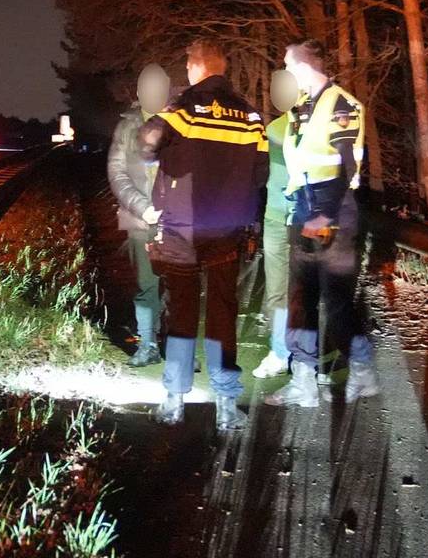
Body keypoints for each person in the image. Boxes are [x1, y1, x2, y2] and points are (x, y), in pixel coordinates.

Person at [139, 38, 268, 430]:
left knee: (182, 311)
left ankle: (174, 401)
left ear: (195, 68)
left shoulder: (180, 109)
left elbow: (146, 146)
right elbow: (261, 175)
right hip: (228, 229)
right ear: (223, 69)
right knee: (223, 311)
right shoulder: (250, 116)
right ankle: (226, 405)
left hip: (182, 227)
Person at [265, 39, 378, 408]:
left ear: (300, 67)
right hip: (304, 208)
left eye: (286, 65)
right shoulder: (303, 108)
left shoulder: (342, 106)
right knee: (302, 299)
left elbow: (346, 166)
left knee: (336, 301)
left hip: (331, 211)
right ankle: (304, 383)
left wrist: (325, 214)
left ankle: (362, 372)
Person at [108, 63, 171, 367]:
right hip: (139, 218)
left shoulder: (179, 123)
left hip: (176, 221)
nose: (153, 93)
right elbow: (117, 172)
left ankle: (176, 348)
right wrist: (141, 206)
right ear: (138, 91)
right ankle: (148, 345)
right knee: (147, 283)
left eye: (159, 87)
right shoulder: (127, 127)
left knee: (177, 285)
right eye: (147, 87)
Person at [252, 69, 301, 378]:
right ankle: (280, 351)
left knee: (302, 290)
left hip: (303, 221)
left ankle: (303, 355)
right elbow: (261, 175)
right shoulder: (271, 128)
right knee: (276, 290)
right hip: (274, 218)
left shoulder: (315, 128)